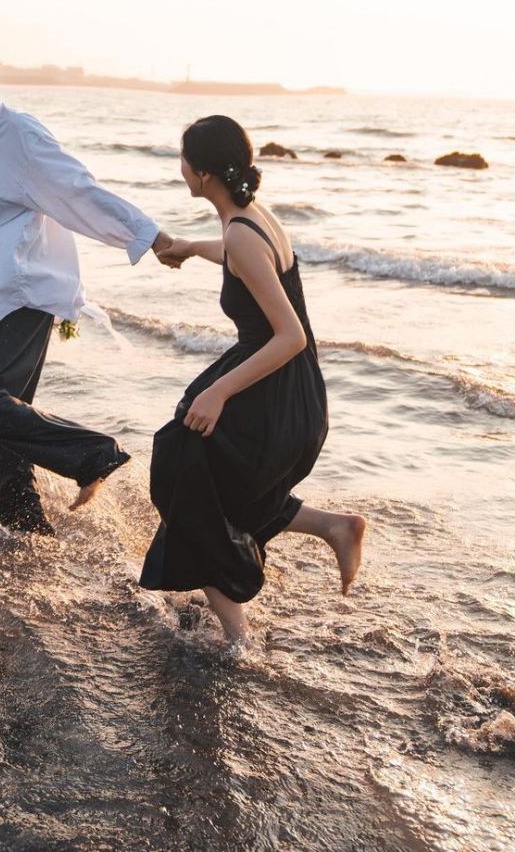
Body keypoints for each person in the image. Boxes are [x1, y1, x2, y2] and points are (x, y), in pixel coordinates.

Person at [0, 31, 173, 535]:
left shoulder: (19, 133)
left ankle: (94, 455)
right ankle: (28, 537)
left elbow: (76, 189)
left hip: (19, 291)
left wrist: (146, 234)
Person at [144, 115, 365, 645]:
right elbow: (242, 259)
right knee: (203, 478)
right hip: (291, 389)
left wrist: (218, 392)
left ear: (199, 174)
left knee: (187, 477)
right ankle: (333, 526)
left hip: (276, 392)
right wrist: (195, 247)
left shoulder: (241, 232)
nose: (180, 169)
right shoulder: (248, 218)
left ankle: (239, 637)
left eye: (182, 160)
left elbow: (290, 335)